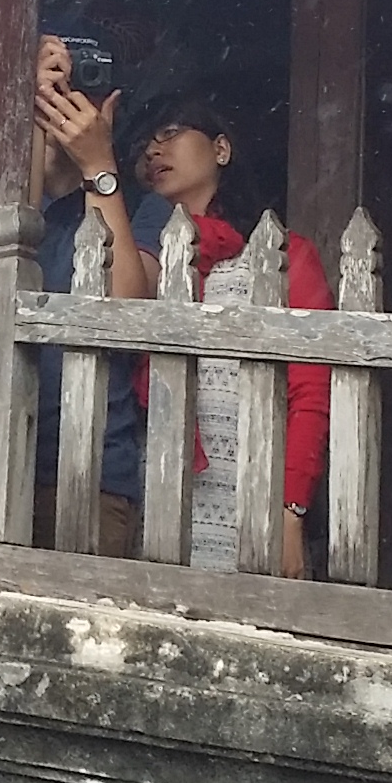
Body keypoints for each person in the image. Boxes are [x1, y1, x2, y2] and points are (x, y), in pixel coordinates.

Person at [127, 93, 334, 574]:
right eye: (145, 145)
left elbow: (311, 392)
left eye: (171, 133)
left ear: (221, 149)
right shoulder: (140, 267)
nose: (155, 150)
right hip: (152, 493)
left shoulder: (282, 258)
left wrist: (290, 512)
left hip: (252, 496)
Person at [31, 30, 173, 557]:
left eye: (80, 91)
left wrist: (97, 165)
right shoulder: (8, 192)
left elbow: (125, 308)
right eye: (56, 93)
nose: (67, 106)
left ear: (109, 104)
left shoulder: (145, 208)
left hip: (91, 472)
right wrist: (27, 123)